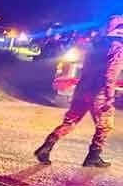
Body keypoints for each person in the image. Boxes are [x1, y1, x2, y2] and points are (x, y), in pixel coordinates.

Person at [35, 15, 123, 168]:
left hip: (83, 88)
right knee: (106, 124)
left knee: (71, 121)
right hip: (99, 91)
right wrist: (109, 97)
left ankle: (46, 147)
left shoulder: (96, 44)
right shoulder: (118, 47)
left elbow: (85, 66)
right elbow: (111, 73)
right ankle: (93, 156)